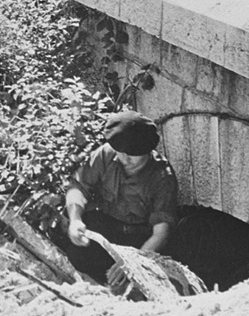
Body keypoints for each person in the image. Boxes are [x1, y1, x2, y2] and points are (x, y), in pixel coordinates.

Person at [65, 111, 179, 286]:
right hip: (105, 230)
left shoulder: (163, 177)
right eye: (121, 152)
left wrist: (134, 263)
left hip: (138, 240)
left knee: (133, 283)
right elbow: (78, 186)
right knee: (75, 256)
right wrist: (75, 219)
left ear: (148, 151)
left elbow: (161, 233)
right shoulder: (106, 154)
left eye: (133, 154)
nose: (125, 158)